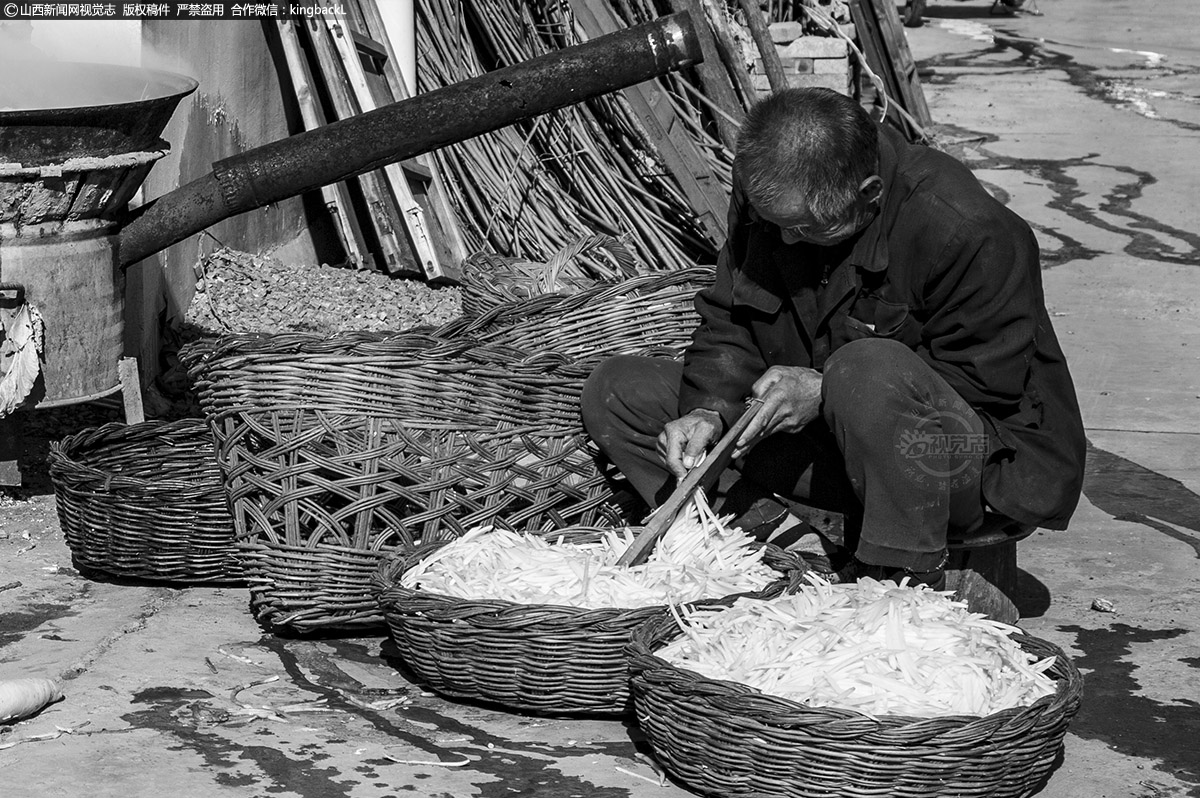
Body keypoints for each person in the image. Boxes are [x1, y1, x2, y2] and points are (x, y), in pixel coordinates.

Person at [581, 87, 1086, 589]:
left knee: (863, 371)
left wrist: (824, 389)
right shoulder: (773, 200)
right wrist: (708, 410)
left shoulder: (968, 230)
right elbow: (730, 318)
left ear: (867, 194)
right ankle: (761, 535)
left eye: (801, 228)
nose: (782, 240)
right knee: (620, 389)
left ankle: (901, 583)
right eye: (772, 222)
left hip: (955, 465)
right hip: (832, 448)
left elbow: (981, 384)